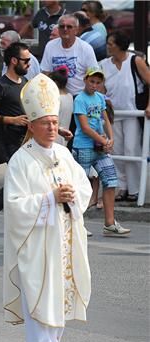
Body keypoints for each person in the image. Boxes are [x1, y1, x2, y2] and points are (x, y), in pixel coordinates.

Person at [3, 73, 92, 342]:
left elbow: (83, 188)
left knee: (58, 301)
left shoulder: (64, 154)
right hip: (37, 244)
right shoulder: (20, 161)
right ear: (32, 125)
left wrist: (72, 196)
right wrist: (49, 198)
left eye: (55, 123)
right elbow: (14, 205)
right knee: (41, 301)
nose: (52, 128)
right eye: (46, 123)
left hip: (63, 239)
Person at [72, 67, 130, 236]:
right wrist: (104, 140)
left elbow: (105, 118)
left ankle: (110, 223)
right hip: (84, 146)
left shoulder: (99, 98)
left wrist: (110, 138)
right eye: (92, 81)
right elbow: (83, 127)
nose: (95, 85)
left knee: (111, 180)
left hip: (100, 146)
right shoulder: (80, 100)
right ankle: (76, 224)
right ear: (85, 80)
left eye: (98, 82)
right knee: (80, 185)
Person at [0, 42, 30, 226]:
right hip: (10, 143)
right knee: (18, 182)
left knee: (17, 184)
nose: (29, 64)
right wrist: (11, 120)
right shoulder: (0, 86)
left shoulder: (24, 83)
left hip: (26, 141)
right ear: (13, 60)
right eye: (26, 61)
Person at [100, 31, 150, 203]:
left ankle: (134, 189)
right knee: (116, 151)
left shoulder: (135, 61)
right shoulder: (104, 64)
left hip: (132, 112)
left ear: (120, 45)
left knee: (131, 149)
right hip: (113, 114)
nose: (108, 46)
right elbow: (101, 89)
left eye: (111, 43)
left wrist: (149, 106)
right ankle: (121, 187)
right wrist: (105, 101)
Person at [40, 14, 97, 96]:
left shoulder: (86, 48)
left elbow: (94, 75)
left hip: (79, 96)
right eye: (62, 26)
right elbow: (45, 72)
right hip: (55, 96)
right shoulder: (50, 46)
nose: (65, 29)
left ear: (76, 30)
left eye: (69, 27)